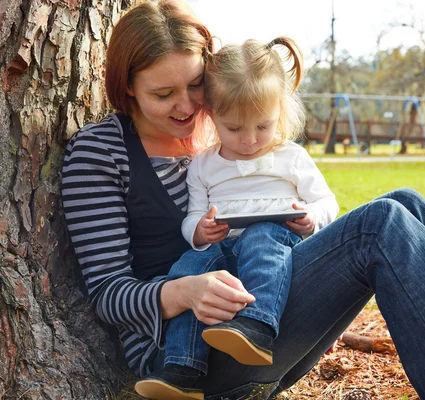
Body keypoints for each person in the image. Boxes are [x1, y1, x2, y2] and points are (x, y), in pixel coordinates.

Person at [61, 1, 425, 399]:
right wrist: (184, 292)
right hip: (188, 356)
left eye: (196, 85)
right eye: (163, 94)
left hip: (264, 316)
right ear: (127, 88)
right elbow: (106, 293)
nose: (187, 106)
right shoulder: (101, 153)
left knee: (408, 203)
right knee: (379, 225)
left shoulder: (220, 132)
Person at [134, 36, 339, 400]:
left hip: (277, 246)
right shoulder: (204, 165)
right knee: (190, 265)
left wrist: (311, 218)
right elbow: (193, 215)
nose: (249, 141)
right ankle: (182, 368)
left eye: (263, 126)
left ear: (280, 112)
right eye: (234, 128)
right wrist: (200, 230)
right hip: (226, 248)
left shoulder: (290, 157)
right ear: (212, 115)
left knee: (261, 235)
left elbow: (326, 201)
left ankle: (257, 328)